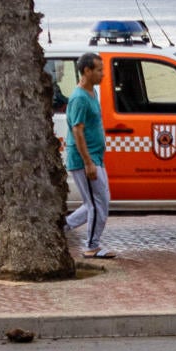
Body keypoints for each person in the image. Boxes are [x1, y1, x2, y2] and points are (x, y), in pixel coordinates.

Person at [63, 52, 115, 258]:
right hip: (85, 160)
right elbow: (77, 130)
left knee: (99, 201)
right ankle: (92, 246)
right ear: (87, 71)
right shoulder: (79, 98)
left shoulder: (92, 92)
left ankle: (63, 226)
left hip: (95, 157)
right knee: (97, 203)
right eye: (99, 70)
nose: (103, 74)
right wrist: (88, 163)